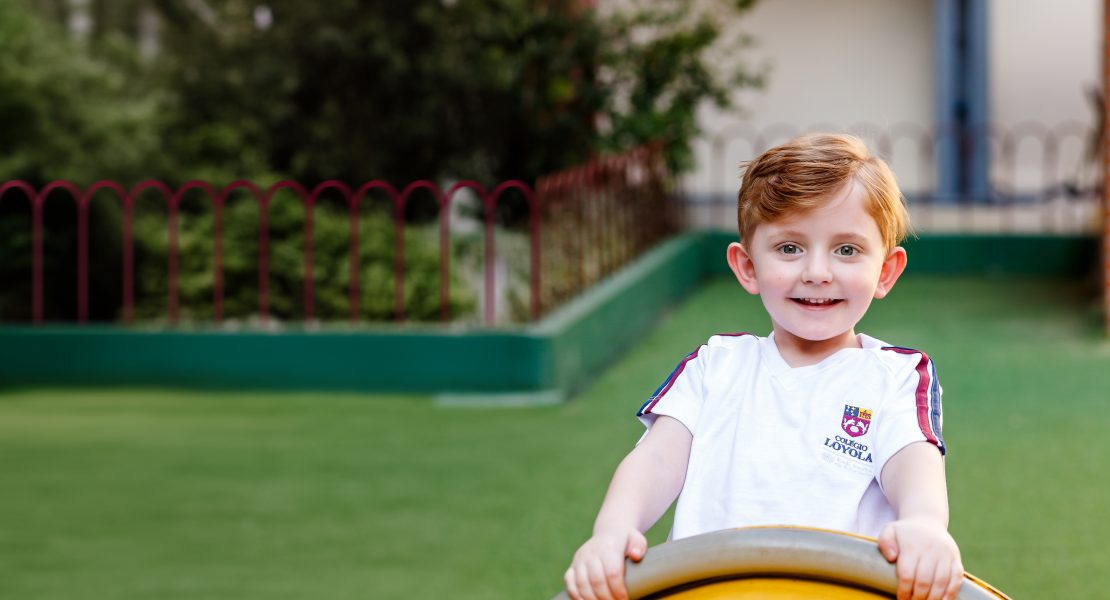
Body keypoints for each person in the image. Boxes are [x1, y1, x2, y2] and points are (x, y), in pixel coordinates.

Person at [563, 133, 962, 600]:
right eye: (790, 248)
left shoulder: (896, 377)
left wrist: (923, 522)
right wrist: (614, 530)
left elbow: (912, 460)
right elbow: (656, 459)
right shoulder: (715, 366)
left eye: (847, 250)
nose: (817, 272)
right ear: (748, 267)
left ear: (886, 271)